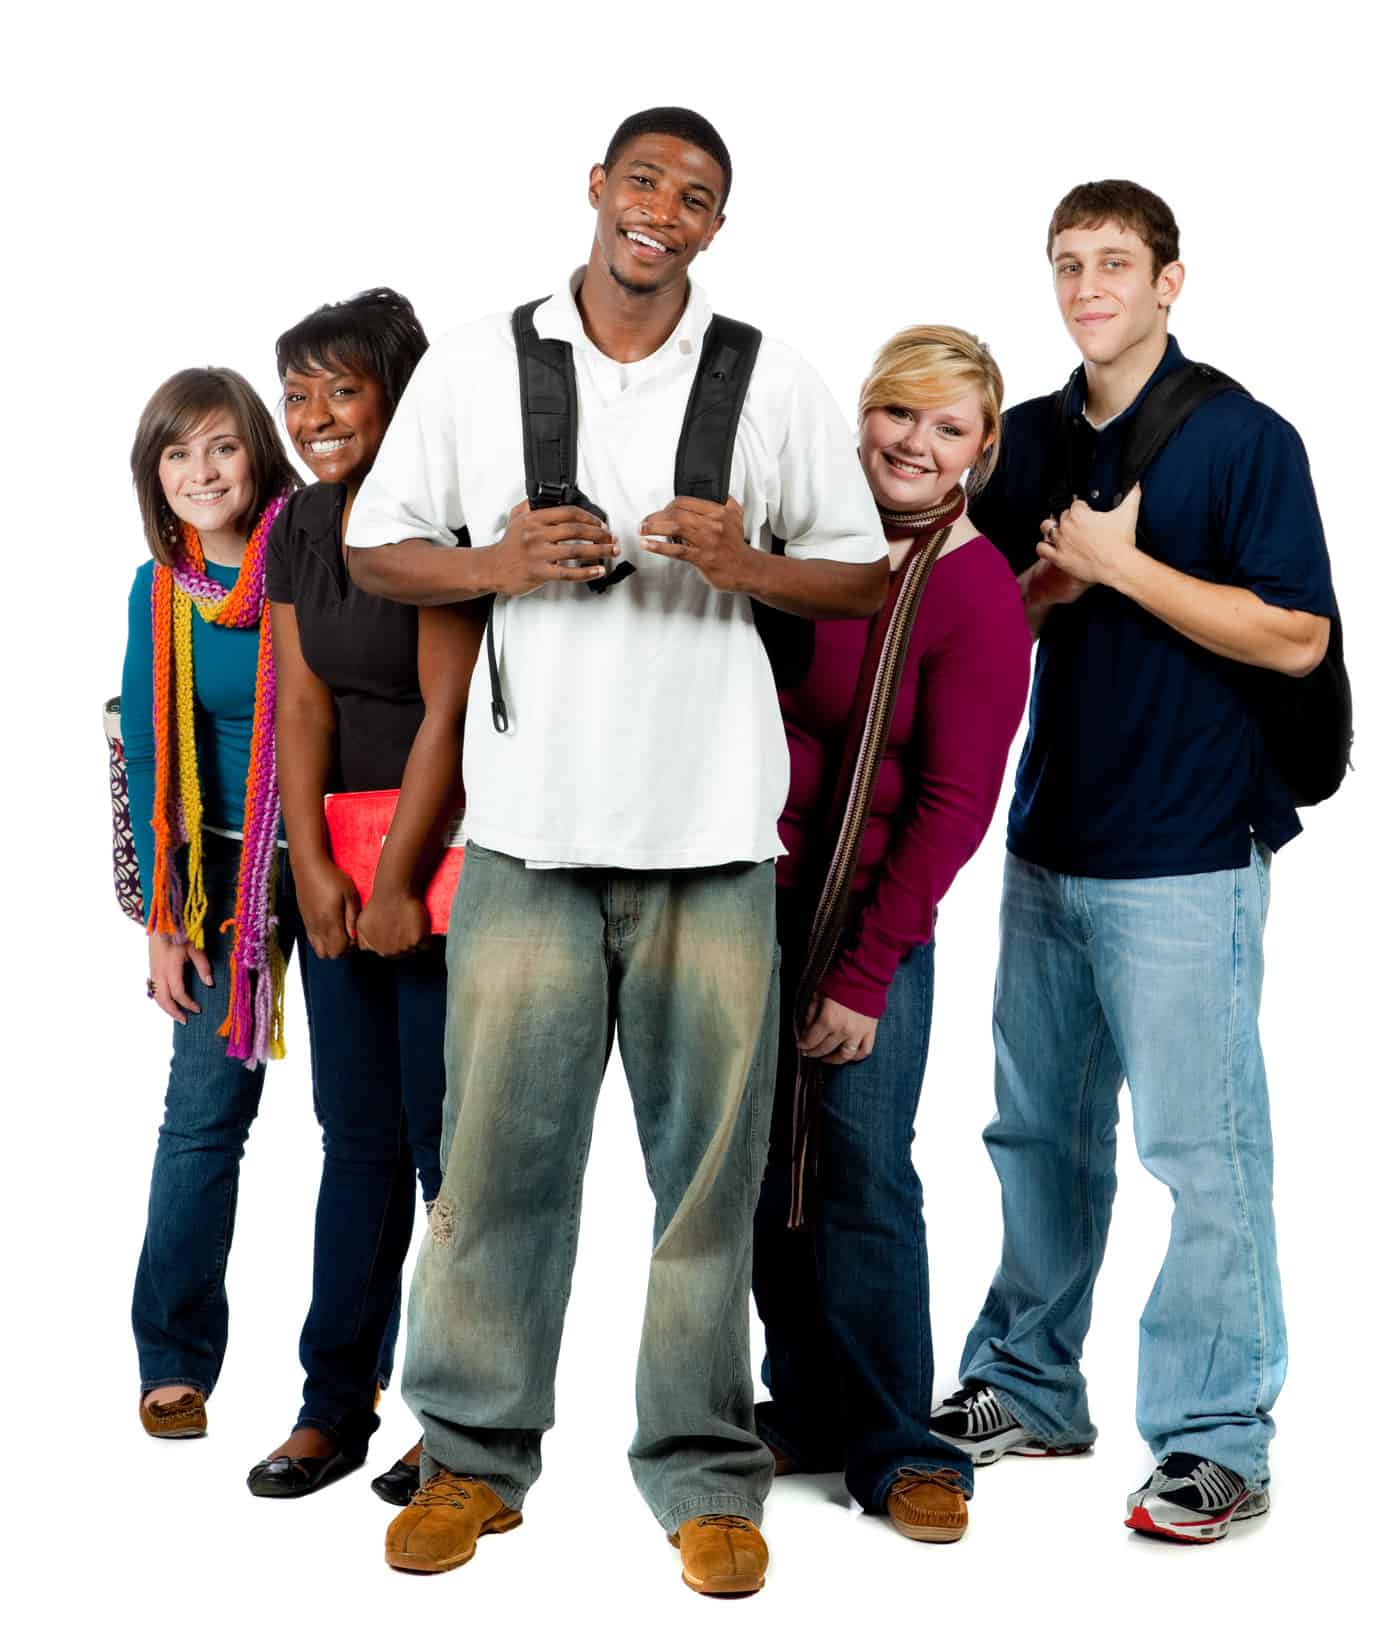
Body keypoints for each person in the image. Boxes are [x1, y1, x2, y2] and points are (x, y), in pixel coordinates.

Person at [344, 107, 888, 1594]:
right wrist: (497, 562)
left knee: (706, 1179)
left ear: (717, 226)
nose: (663, 209)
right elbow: (374, 548)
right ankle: (466, 1457)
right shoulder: (476, 359)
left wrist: (744, 561)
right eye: (644, 180)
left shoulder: (768, 372)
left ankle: (707, 1474)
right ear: (596, 190)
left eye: (695, 196)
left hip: (714, 837)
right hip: (527, 830)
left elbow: (857, 576)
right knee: (499, 1161)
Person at [929, 180, 1335, 1542]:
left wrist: (1121, 560)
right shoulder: (1028, 440)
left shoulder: (1242, 439)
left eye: (1115, 261)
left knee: (1200, 1150)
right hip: (1050, 841)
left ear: (1171, 280)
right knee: (1037, 1133)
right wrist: (1047, 587)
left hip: (1188, 855)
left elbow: (1296, 636)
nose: (1088, 283)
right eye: (1066, 263)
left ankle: (1219, 1434)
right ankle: (1030, 1379)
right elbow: (974, 625)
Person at [751, 327, 1031, 1545]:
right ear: (861, 417)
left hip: (870, 919)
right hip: (743, 900)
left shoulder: (971, 590)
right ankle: (804, 1403)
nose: (913, 445)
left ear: (979, 448)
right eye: (897, 416)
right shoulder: (810, 546)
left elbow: (950, 806)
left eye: (947, 427)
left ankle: (896, 1443)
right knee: (763, 1165)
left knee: (862, 1170)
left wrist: (864, 971)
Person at [247, 289, 482, 1498]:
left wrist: (394, 880)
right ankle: (332, 1404)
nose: (314, 414)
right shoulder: (294, 528)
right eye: (297, 392)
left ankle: (452, 1420)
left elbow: (447, 708)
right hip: (336, 866)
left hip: (445, 865)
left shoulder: (434, 519)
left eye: (341, 388)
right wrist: (314, 868)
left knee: (452, 1151)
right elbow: (301, 702)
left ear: (397, 393)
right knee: (355, 1142)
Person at [124, 367, 299, 1437]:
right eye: (178, 453)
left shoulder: (312, 556)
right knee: (202, 1121)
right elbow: (150, 752)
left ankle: (360, 1374)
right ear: (155, 474)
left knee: (377, 1125)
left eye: (222, 446)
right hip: (221, 880)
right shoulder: (160, 588)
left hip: (331, 859)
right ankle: (174, 1357)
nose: (202, 471)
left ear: (256, 453)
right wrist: (163, 921)